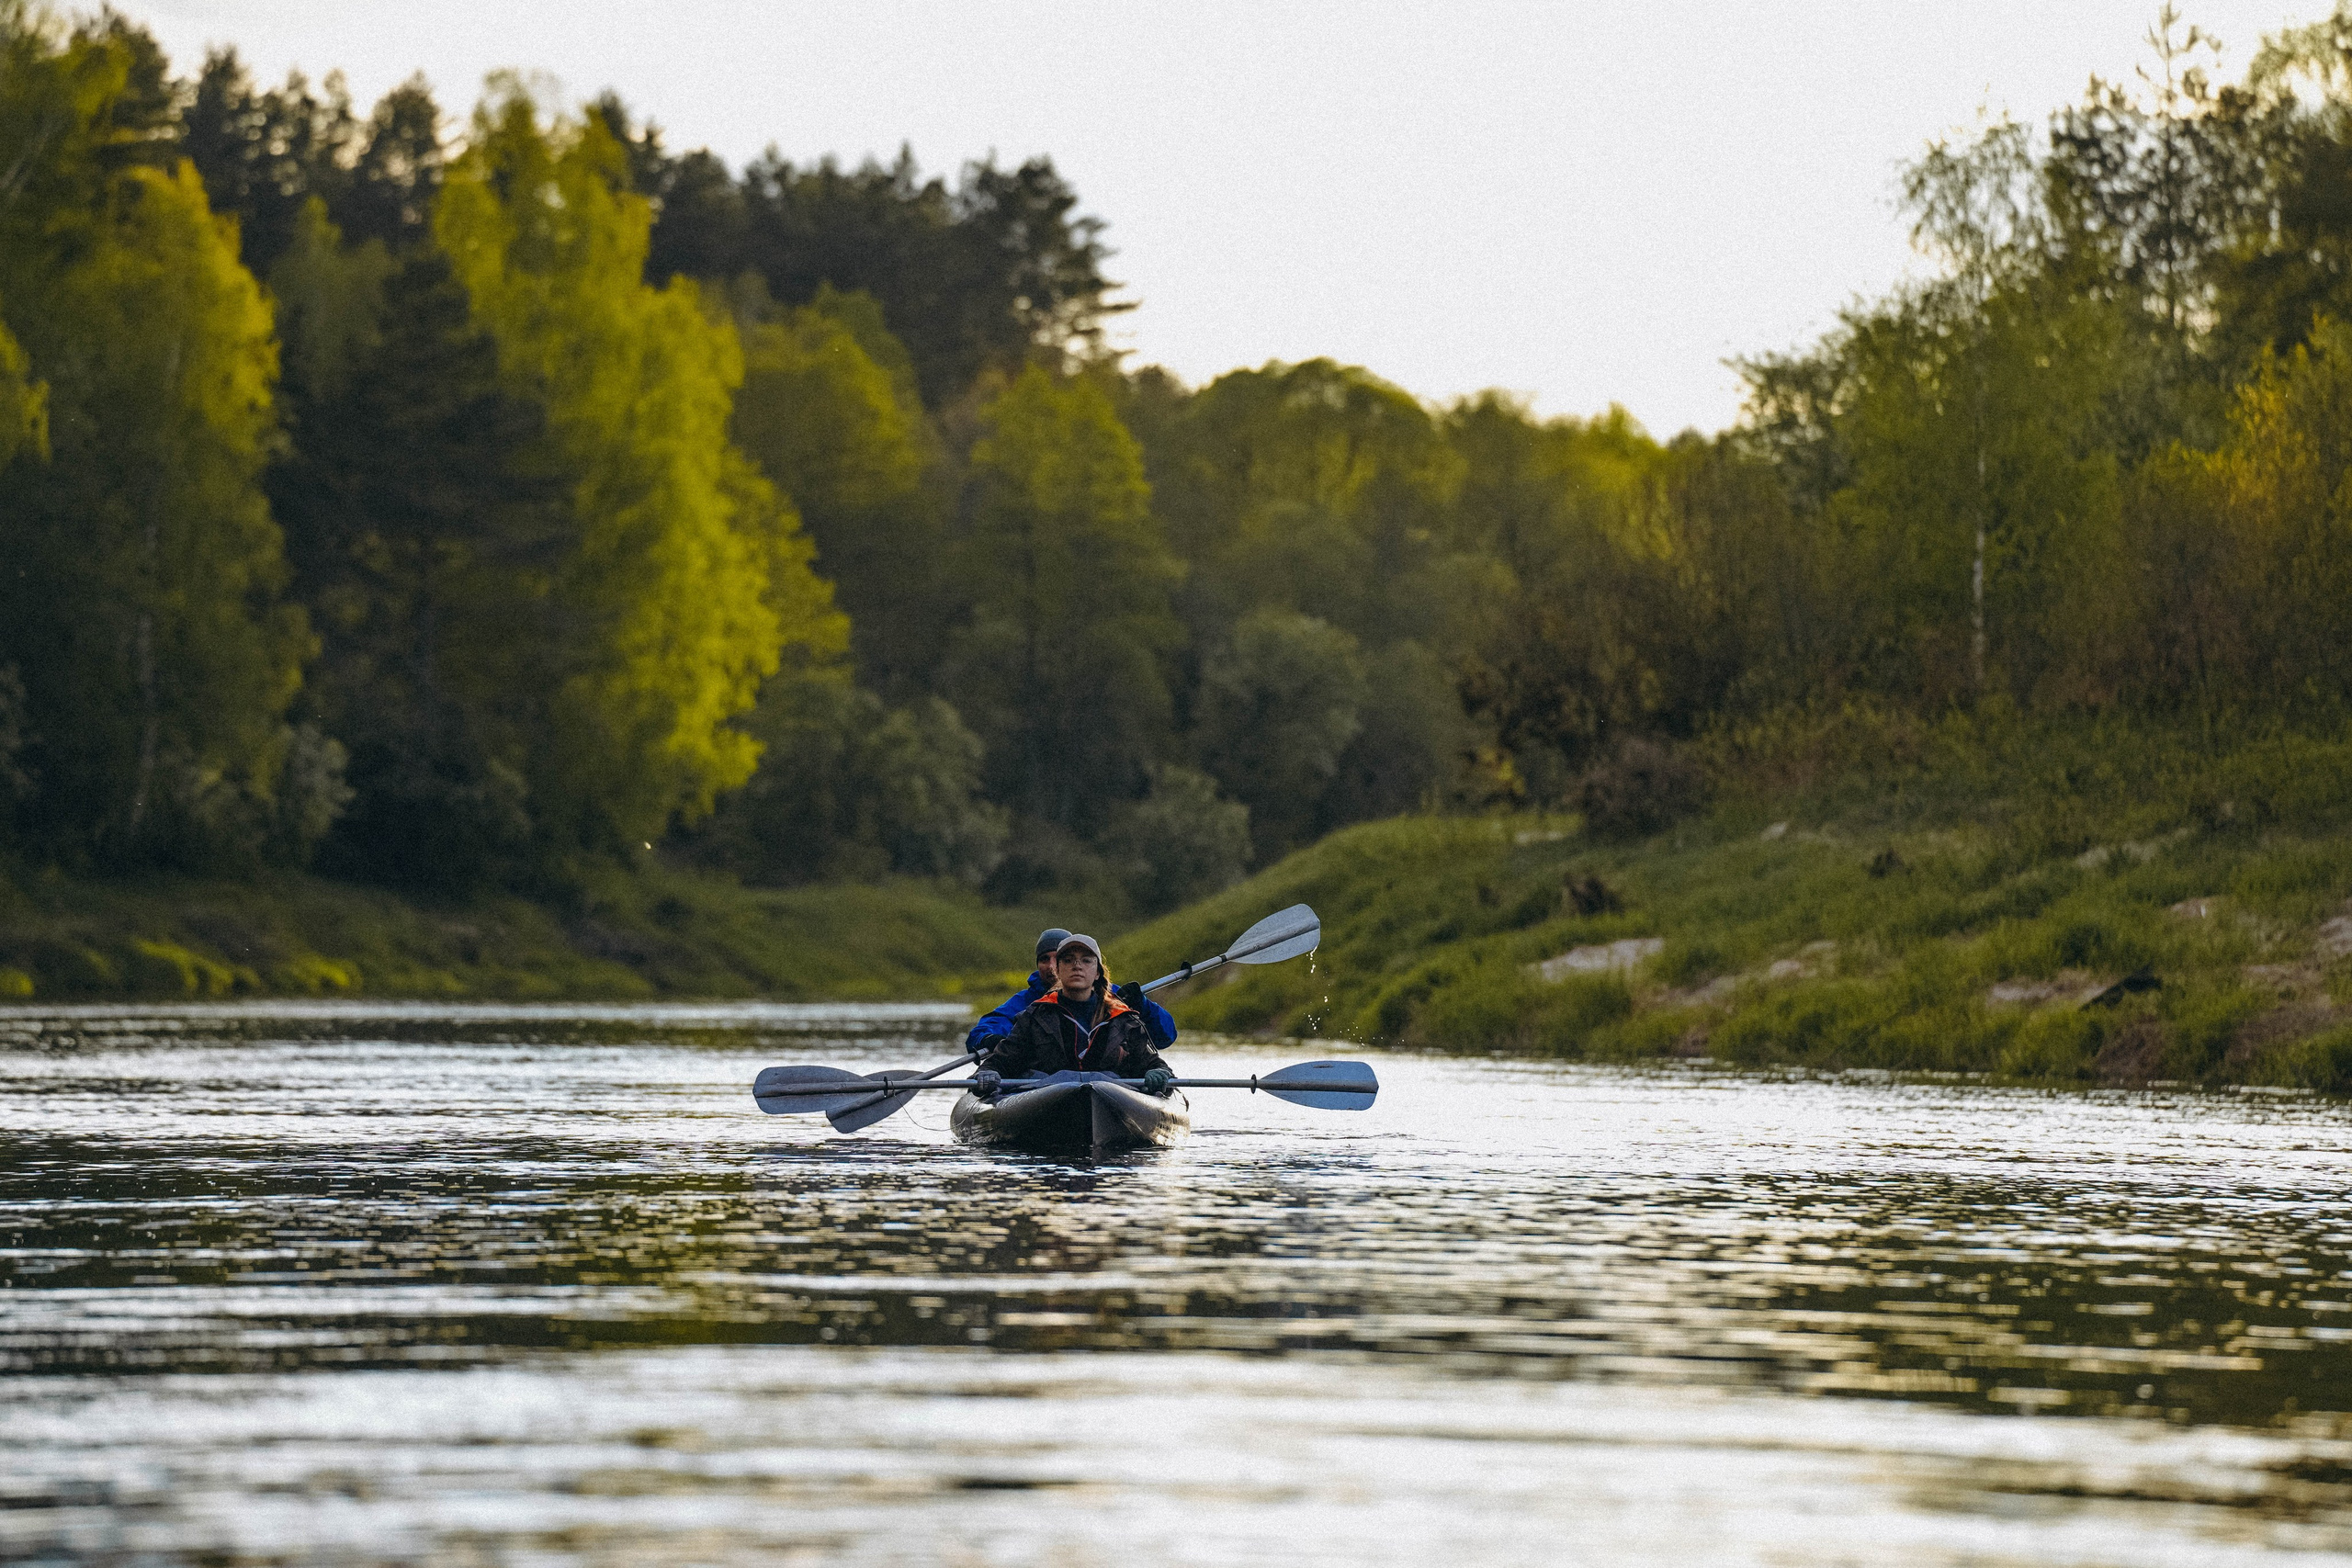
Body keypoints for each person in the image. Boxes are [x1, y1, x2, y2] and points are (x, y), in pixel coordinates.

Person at [975, 933, 1175, 1096]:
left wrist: (1160, 1073)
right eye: (1068, 961)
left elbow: (1156, 1060)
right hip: (1044, 1097)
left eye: (1086, 961)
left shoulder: (1123, 1016)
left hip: (1113, 1098)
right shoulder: (1033, 1014)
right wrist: (987, 1069)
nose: (1077, 966)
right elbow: (998, 1062)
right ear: (1058, 971)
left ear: (1097, 973)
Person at [965, 926, 1175, 1055]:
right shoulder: (1027, 1005)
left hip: (1106, 1084)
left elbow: (1166, 1037)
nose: (1051, 966)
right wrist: (990, 1040)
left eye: (1059, 958)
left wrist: (1144, 1007)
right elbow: (987, 1028)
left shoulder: (1114, 999)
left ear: (1095, 971)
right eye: (1044, 959)